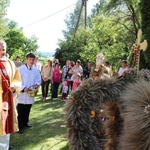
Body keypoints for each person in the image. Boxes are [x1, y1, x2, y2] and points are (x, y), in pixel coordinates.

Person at [0, 40, 22, 150]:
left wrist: (14, 86)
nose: (1, 52)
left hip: (6, 103)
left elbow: (17, 79)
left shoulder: (10, 63)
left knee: (4, 130)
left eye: (3, 49)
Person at [17, 53, 41, 134]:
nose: (31, 61)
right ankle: (19, 127)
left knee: (28, 109)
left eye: (33, 59)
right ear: (26, 59)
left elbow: (38, 79)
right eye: (30, 59)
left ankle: (25, 123)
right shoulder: (20, 69)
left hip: (30, 93)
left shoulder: (36, 70)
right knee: (20, 111)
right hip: (22, 94)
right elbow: (17, 81)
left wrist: (36, 84)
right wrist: (24, 88)